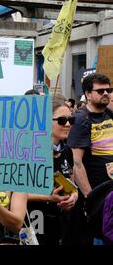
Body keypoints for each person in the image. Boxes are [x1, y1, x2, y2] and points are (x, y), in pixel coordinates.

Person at [67, 73, 113, 244]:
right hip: (98, 199)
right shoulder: (81, 119)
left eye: (109, 89)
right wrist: (91, 199)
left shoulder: (109, 113)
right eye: (100, 91)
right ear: (87, 93)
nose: (106, 93)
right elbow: (77, 164)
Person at [27, 95, 78, 245]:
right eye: (62, 120)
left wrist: (73, 197)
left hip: (60, 222)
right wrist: (48, 197)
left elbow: (73, 185)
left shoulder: (67, 150)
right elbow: (10, 191)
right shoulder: (29, 151)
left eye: (71, 120)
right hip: (34, 219)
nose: (68, 124)